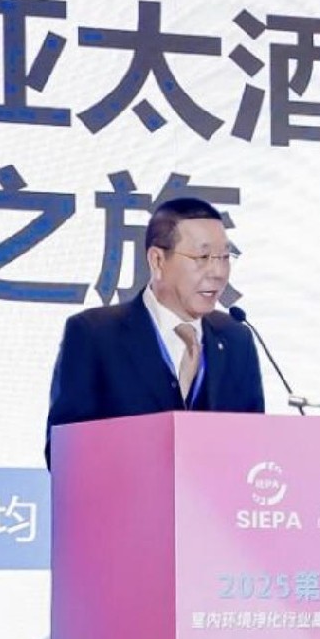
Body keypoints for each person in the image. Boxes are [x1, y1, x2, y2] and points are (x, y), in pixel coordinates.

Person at [44, 196, 263, 465]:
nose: (218, 272)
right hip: (125, 491)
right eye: (203, 257)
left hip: (212, 494)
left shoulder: (236, 338)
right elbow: (64, 453)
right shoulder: (94, 334)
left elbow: (254, 448)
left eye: (224, 257)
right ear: (158, 261)